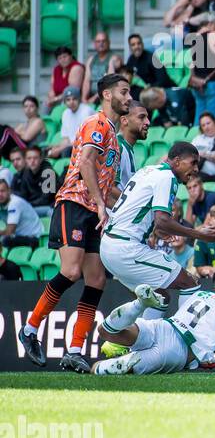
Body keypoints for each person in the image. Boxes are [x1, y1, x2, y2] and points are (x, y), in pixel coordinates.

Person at [20, 75, 133, 373]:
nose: (128, 97)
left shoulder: (113, 135)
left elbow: (106, 184)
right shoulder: (96, 124)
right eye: (124, 92)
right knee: (71, 271)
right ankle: (30, 330)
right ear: (107, 95)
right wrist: (100, 206)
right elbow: (85, 164)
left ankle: (74, 350)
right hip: (74, 203)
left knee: (96, 280)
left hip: (94, 207)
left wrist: (131, 205)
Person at [98, 140, 215, 319]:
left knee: (159, 298)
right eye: (193, 162)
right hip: (126, 248)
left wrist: (156, 228)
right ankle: (185, 336)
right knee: (190, 283)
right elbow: (162, 220)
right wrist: (198, 234)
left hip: (109, 245)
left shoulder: (147, 170)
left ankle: (135, 341)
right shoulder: (168, 177)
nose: (196, 169)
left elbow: (140, 210)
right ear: (177, 161)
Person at [92, 269, 215, 376]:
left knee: (104, 332)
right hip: (174, 352)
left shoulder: (199, 295)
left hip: (163, 327)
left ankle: (139, 305)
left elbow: (207, 337)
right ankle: (121, 362)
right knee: (98, 369)